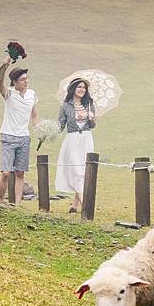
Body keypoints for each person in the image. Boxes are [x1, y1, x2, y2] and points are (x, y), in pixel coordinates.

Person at [0, 56, 39, 205]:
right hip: (8, 136)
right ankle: (0, 201)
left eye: (26, 78)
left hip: (24, 138)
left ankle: (17, 205)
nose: (26, 81)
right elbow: (0, 83)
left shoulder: (32, 94)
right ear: (14, 82)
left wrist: (38, 129)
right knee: (6, 173)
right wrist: (4, 67)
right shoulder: (9, 93)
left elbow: (34, 115)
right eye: (22, 79)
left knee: (20, 173)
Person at [55, 78, 96, 213]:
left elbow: (92, 125)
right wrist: (48, 131)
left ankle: (74, 205)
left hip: (86, 138)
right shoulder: (65, 106)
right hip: (72, 140)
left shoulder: (89, 104)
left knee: (84, 171)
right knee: (76, 171)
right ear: (73, 89)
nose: (82, 90)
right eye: (79, 87)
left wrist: (92, 119)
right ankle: (86, 205)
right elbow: (60, 125)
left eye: (84, 87)